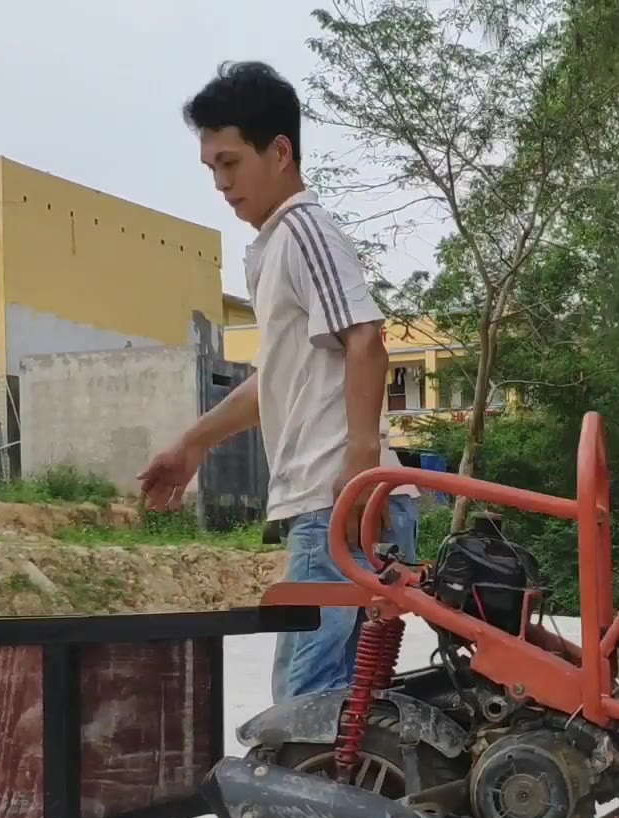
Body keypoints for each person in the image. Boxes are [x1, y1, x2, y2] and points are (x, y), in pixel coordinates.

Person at [138, 61, 418, 704]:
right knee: (335, 713)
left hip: (335, 505)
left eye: (230, 163)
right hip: (334, 505)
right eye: (211, 168)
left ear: (281, 151)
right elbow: (278, 384)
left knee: (307, 711)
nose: (220, 183)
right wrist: (194, 444)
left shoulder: (304, 230)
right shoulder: (277, 245)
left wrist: (357, 472)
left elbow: (367, 340)